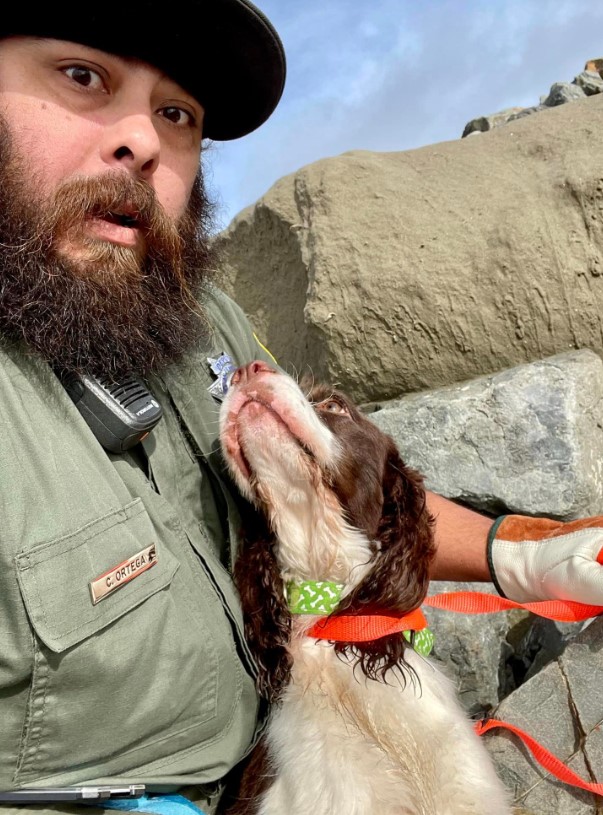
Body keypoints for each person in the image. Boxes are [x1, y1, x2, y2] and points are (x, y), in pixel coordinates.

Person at [0, 3, 601, 814]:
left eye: (176, 114)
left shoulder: (196, 312)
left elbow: (343, 482)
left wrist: (523, 555)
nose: (141, 141)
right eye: (82, 76)